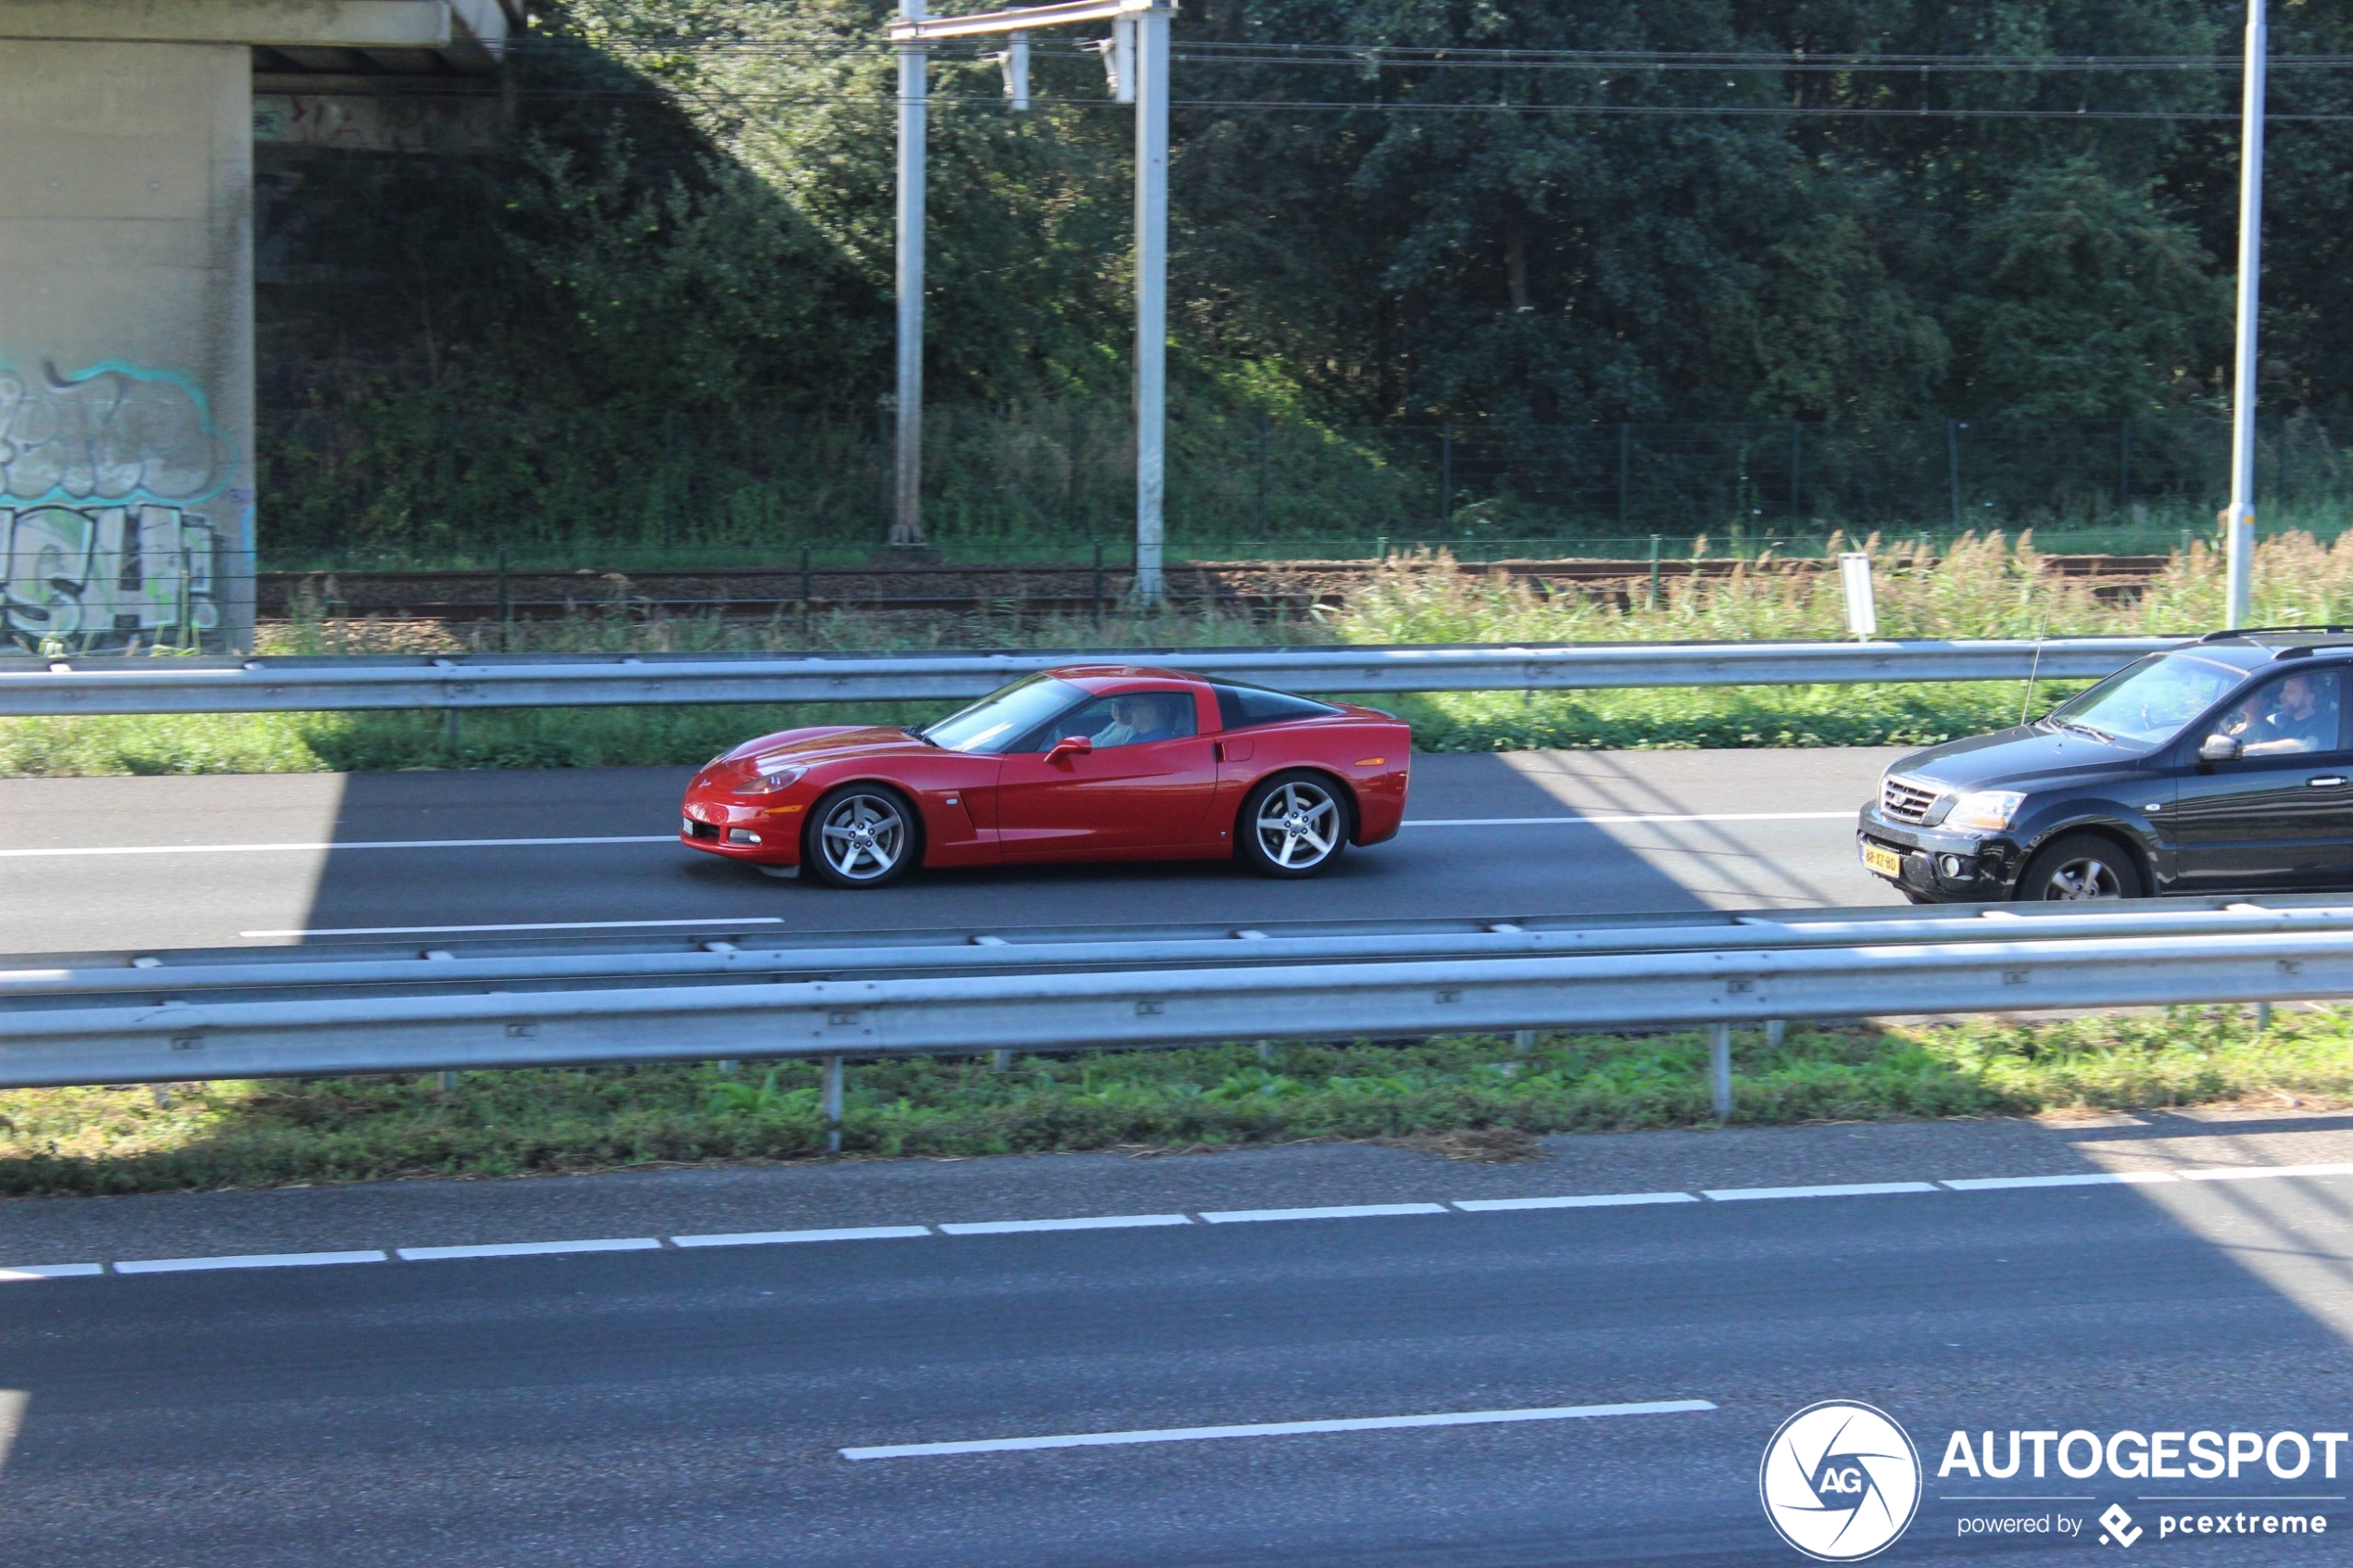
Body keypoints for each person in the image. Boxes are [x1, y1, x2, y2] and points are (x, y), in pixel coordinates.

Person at [2230, 672, 2339, 756]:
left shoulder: (2323, 724)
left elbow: (2305, 746)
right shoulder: (2286, 722)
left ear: (2309, 698)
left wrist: (2247, 750)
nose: (2281, 696)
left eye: (2290, 691)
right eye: (2284, 690)